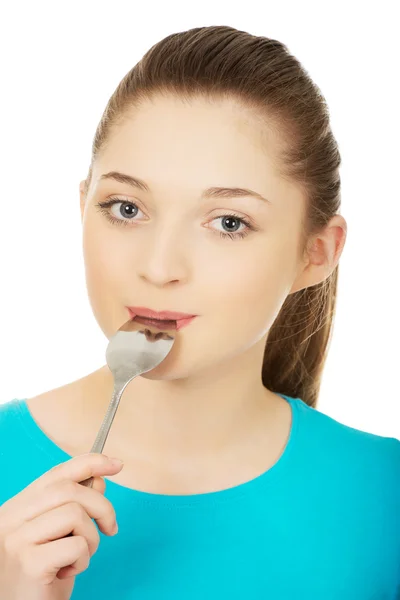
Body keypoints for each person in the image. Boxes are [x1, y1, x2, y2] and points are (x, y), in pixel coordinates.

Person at [0, 24, 398, 600]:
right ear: (81, 206)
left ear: (317, 253)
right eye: (127, 207)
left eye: (228, 223)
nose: (160, 267)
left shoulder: (384, 496)